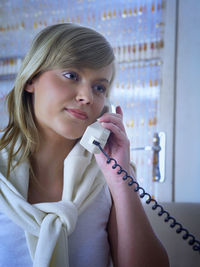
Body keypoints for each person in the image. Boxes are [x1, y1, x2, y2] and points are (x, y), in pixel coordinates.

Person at [0, 23, 169, 267]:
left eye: (99, 87)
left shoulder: (109, 175)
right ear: (31, 79)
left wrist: (120, 180)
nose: (87, 97)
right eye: (71, 76)